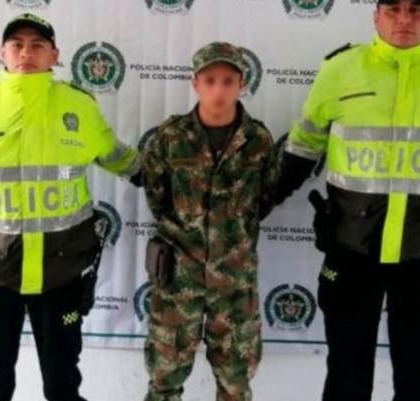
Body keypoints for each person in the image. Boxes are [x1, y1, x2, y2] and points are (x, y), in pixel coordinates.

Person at [0, 13, 140, 401]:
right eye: (17, 44)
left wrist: (168, 176)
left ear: (55, 55)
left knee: (62, 376)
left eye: (37, 45)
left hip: (62, 266)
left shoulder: (79, 106)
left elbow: (117, 156)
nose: (26, 52)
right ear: (2, 53)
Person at [277, 1, 420, 400]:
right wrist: (261, 202)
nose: (404, 19)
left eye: (414, 9)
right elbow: (304, 145)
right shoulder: (340, 69)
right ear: (375, 16)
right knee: (346, 379)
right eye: (392, 9)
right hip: (351, 248)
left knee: (417, 381)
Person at [141, 41, 280, 401]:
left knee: (236, 382)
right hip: (177, 277)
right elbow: (157, 197)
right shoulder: (170, 138)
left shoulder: (258, 141)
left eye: (228, 80)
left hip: (234, 281)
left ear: (242, 83)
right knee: (164, 379)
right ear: (195, 83)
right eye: (210, 80)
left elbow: (263, 200)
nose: (219, 89)